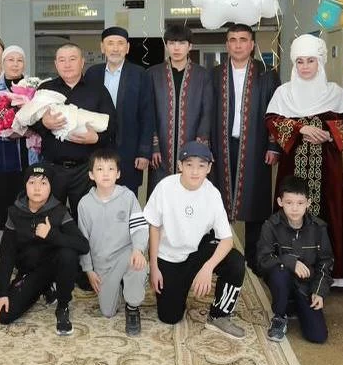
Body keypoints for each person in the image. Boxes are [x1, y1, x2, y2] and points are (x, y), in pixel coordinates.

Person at [265, 34, 343, 287]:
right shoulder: (284, 93)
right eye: (300, 61)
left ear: (320, 62)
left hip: (327, 168)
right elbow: (271, 120)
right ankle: (287, 269)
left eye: (310, 61)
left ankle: (332, 275)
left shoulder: (335, 93)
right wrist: (301, 128)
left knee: (329, 214)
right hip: (292, 166)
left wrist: (328, 133)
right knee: (290, 210)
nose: (305, 66)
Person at [147, 141, 248, 339]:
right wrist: (154, 267)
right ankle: (180, 290)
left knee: (236, 261)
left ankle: (219, 316)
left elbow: (227, 239)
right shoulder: (165, 187)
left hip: (198, 250)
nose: (195, 171)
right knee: (169, 317)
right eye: (189, 165)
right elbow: (154, 227)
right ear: (180, 165)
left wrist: (208, 267)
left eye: (201, 165)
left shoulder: (212, 193)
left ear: (209, 168)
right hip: (169, 257)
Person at [209, 23, 279, 270]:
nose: (237, 45)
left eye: (243, 40)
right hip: (221, 143)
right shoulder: (215, 74)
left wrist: (273, 145)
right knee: (217, 198)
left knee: (255, 200)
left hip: (256, 144)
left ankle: (255, 260)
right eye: (232, 40)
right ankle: (218, 257)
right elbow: (207, 110)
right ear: (226, 45)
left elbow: (275, 111)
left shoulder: (267, 73)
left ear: (252, 45)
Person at [0, 164, 91, 335]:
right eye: (32, 182)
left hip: (55, 267)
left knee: (68, 254)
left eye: (43, 183)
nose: (37, 188)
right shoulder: (14, 212)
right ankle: (46, 288)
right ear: (25, 186)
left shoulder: (59, 211)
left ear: (51, 187)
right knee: (4, 315)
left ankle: (62, 305)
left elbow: (82, 245)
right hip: (30, 271)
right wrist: (2, 293)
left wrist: (51, 235)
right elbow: (6, 255)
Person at [33, 43, 118, 216]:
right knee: (50, 217)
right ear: (56, 64)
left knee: (86, 218)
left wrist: (97, 138)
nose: (67, 64)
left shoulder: (98, 90)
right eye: (62, 60)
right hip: (52, 168)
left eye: (72, 59)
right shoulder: (45, 89)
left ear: (82, 62)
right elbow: (30, 122)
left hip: (85, 170)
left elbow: (113, 125)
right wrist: (44, 124)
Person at [77, 150, 149, 335]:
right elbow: (83, 240)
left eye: (110, 169)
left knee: (138, 264)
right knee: (107, 311)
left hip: (126, 254)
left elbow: (139, 227)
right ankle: (119, 285)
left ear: (118, 174)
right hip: (103, 263)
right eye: (100, 169)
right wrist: (89, 270)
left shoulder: (128, 197)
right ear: (91, 175)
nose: (106, 173)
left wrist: (138, 249)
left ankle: (132, 306)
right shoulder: (84, 204)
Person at [257, 176, 333, 344]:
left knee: (318, 336)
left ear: (308, 203)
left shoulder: (318, 228)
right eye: (289, 202)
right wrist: (290, 262)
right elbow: (262, 260)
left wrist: (319, 292)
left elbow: (325, 263)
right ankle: (279, 316)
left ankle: (296, 305)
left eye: (300, 203)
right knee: (280, 271)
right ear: (280, 202)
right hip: (280, 279)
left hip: (304, 286)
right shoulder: (271, 226)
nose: (294, 208)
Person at [83, 26, 154, 195]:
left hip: (129, 148)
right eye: (110, 43)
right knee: (98, 195)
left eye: (120, 43)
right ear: (102, 47)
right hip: (97, 147)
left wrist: (144, 152)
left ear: (127, 48)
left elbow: (147, 114)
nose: (115, 48)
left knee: (127, 196)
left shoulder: (140, 74)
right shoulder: (92, 74)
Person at [149, 23, 213, 191]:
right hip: (160, 149)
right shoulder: (153, 74)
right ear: (166, 45)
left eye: (182, 43)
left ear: (190, 46)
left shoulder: (202, 75)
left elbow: (207, 112)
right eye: (172, 43)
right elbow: (149, 112)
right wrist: (154, 146)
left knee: (191, 192)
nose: (176, 48)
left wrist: (199, 146)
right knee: (161, 192)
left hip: (192, 143)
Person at [0, 44, 32, 246]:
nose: (15, 64)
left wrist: (29, 130)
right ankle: (4, 236)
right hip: (2, 152)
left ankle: (25, 234)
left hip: (28, 150)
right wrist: (9, 134)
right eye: (11, 60)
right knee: (2, 194)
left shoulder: (32, 88)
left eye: (19, 60)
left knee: (26, 192)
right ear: (3, 63)